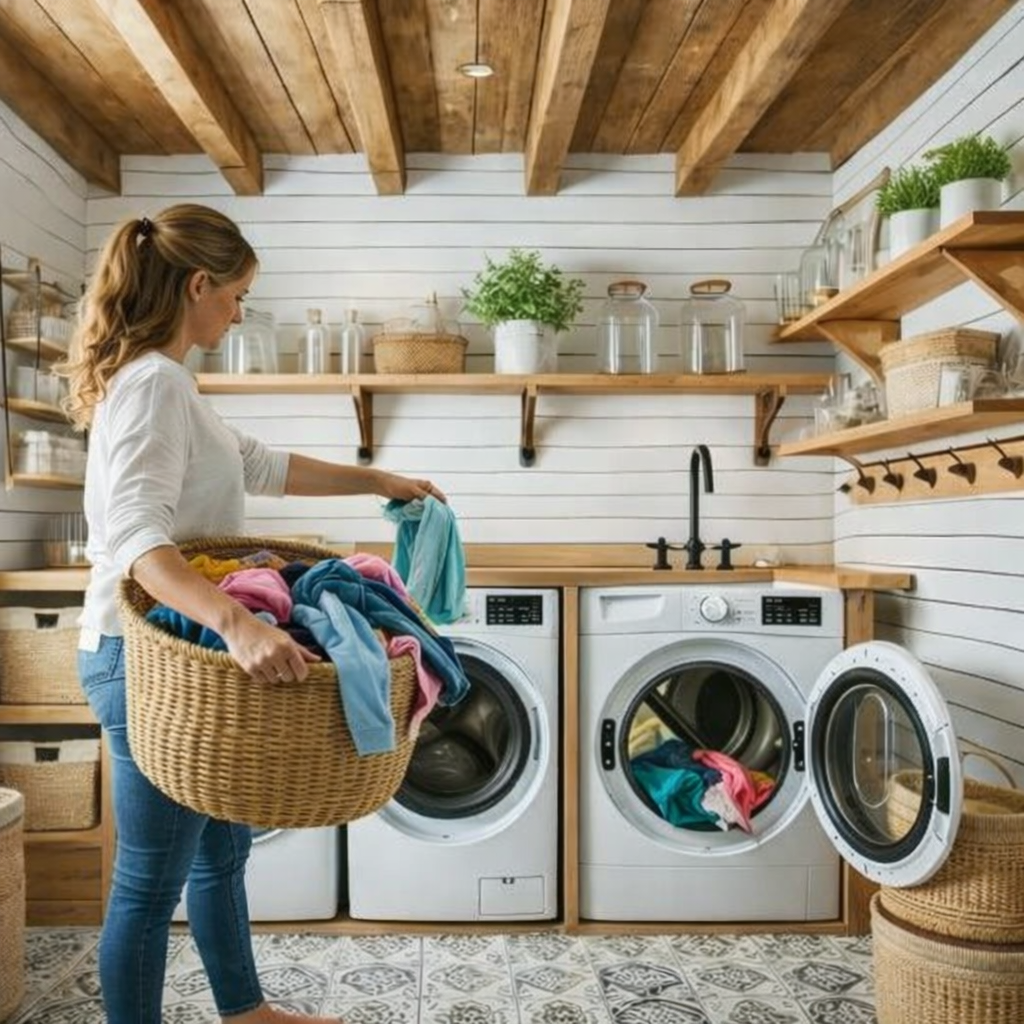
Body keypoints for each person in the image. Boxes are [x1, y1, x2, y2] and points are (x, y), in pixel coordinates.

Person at [56, 203, 446, 1024]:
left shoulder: (171, 384)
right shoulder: (155, 385)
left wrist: (382, 481)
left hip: (171, 647)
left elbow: (262, 466)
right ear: (199, 285)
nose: (239, 313)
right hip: (144, 659)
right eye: (236, 295)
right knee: (149, 879)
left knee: (222, 852)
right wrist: (242, 624)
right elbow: (134, 539)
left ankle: (246, 1011)